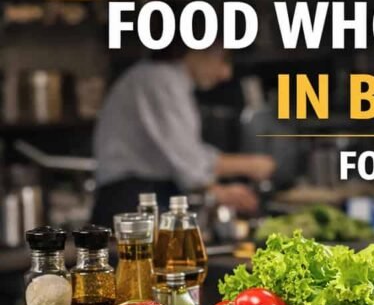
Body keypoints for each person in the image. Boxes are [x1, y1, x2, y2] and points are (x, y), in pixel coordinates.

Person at [91, 46, 275, 225]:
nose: (226, 74)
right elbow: (186, 158)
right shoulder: (160, 79)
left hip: (146, 194)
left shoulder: (167, 80)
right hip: (133, 201)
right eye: (223, 59)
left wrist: (221, 186)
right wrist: (225, 185)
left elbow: (186, 154)